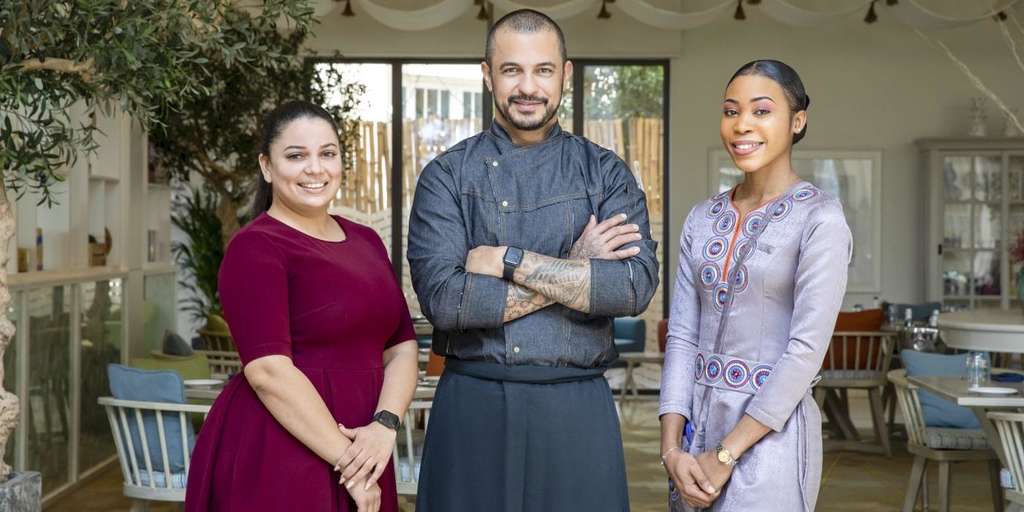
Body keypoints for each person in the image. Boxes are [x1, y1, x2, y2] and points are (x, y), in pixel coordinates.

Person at [407, 8, 660, 512]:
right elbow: (448, 304)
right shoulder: (446, 177)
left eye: (543, 70)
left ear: (564, 75)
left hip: (577, 408)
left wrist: (507, 259)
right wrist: (577, 267)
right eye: (511, 70)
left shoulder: (605, 173)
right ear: (487, 75)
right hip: (472, 406)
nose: (528, 87)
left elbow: (631, 288)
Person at [185, 100, 419, 512]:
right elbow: (268, 372)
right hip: (284, 450)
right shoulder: (256, 247)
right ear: (266, 167)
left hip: (366, 445)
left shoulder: (366, 241)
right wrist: (353, 467)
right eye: (296, 156)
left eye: (327, 153)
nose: (315, 168)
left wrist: (384, 427)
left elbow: (401, 347)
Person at [658, 60, 852, 511]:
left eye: (761, 111)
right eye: (731, 111)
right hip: (692, 439)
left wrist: (726, 454)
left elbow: (805, 352)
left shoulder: (820, 219)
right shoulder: (702, 218)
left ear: (797, 120)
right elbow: (683, 338)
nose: (742, 124)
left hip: (772, 441)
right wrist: (671, 451)